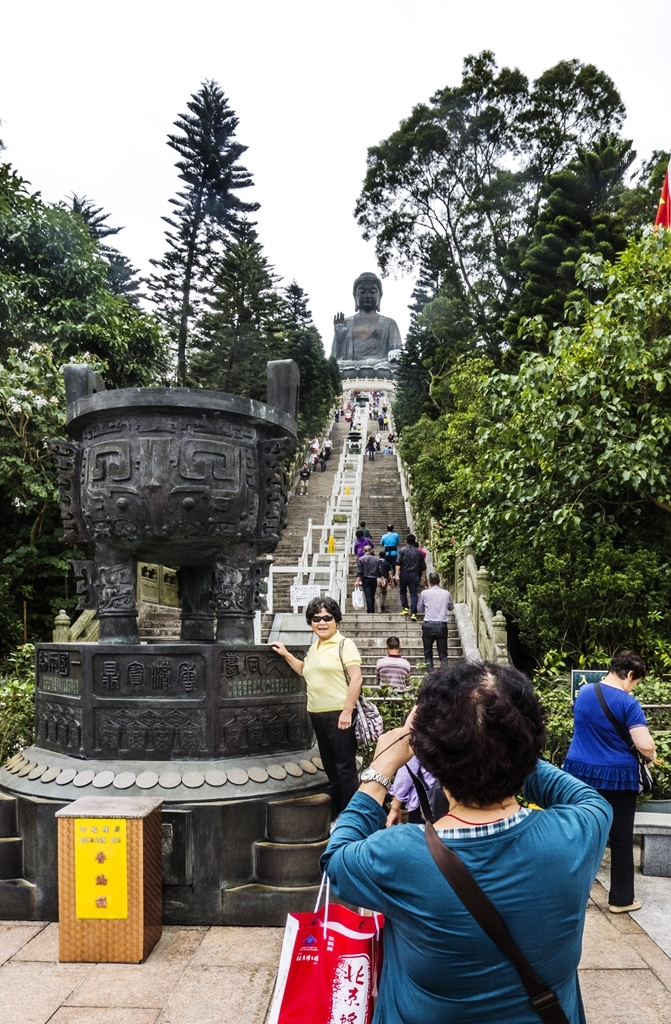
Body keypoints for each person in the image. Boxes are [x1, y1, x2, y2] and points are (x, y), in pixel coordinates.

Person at [322, 661, 612, 1024]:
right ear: (531, 740)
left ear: (427, 753)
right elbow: (584, 796)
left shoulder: (397, 855)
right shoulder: (581, 830)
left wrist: (383, 765)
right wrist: (502, 740)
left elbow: (336, 857)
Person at [563, 650, 655, 914]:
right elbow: (644, 744)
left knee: (582, 835)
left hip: (580, 773)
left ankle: (571, 897)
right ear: (628, 675)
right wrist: (652, 753)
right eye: (635, 682)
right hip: (617, 777)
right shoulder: (628, 703)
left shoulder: (585, 693)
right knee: (621, 839)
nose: (633, 687)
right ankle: (621, 900)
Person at [270, 597, 362, 820]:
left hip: (339, 715)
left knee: (345, 768)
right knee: (331, 768)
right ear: (310, 622)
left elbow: (356, 679)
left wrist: (347, 711)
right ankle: (339, 813)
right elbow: (304, 670)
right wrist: (286, 654)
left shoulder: (344, 644)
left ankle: (353, 818)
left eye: (327, 618)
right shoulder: (315, 647)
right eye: (316, 618)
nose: (322, 622)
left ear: (336, 620)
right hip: (317, 714)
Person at [417, 571, 454, 671]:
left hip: (428, 625)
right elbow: (451, 607)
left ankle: (430, 676)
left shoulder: (424, 593)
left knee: (428, 653)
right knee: (443, 654)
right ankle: (445, 676)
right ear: (439, 581)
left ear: (429, 581)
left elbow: (419, 609)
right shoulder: (446, 593)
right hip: (442, 625)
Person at [396, 534, 426, 619]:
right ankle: (413, 613)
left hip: (404, 573)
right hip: (415, 574)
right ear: (414, 541)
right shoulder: (419, 552)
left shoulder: (401, 550)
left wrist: (397, 574)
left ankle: (405, 608)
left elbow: (398, 563)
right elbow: (423, 566)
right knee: (413, 594)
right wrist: (423, 576)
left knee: (402, 591)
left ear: (406, 541)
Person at [356, 544, 379, 614]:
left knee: (368, 596)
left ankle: (370, 611)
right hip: (374, 579)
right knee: (372, 595)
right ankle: (372, 610)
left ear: (363, 551)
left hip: (365, 579)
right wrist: (383, 578)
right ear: (371, 551)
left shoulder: (361, 559)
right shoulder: (376, 559)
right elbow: (379, 570)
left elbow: (359, 572)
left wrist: (357, 581)